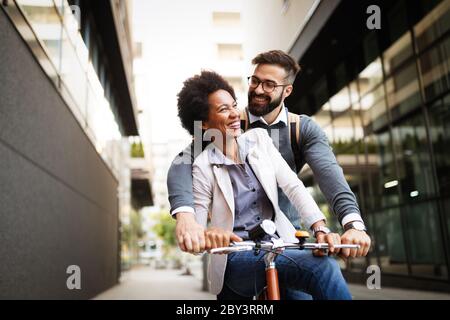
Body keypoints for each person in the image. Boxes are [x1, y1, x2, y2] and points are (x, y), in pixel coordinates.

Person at [176, 70, 352, 299]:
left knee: (319, 272)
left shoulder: (259, 139)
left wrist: (319, 228)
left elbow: (293, 187)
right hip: (236, 257)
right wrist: (209, 234)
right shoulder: (202, 165)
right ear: (203, 124)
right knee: (321, 268)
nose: (234, 114)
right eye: (223, 110)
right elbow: (196, 229)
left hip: (280, 246)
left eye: (234, 105)